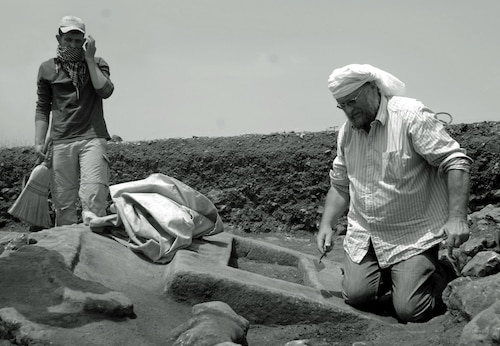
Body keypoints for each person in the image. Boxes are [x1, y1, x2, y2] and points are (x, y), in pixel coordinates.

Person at [316, 63, 472, 323]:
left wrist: (457, 218)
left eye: (352, 102)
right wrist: (327, 225)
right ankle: (392, 275)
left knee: (411, 310)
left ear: (373, 89)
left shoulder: (411, 116)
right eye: (341, 105)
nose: (348, 111)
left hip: (411, 235)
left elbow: (456, 161)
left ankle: (444, 269)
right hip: (367, 233)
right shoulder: (347, 133)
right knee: (356, 296)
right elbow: (340, 183)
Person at [34, 16, 114, 226]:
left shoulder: (97, 64)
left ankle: (97, 251)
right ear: (58, 39)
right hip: (61, 141)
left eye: (78, 41)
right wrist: (39, 140)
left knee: (94, 198)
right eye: (68, 39)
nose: (73, 45)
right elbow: (42, 107)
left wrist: (89, 59)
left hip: (93, 137)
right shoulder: (47, 69)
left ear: (84, 42)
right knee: (63, 203)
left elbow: (105, 91)